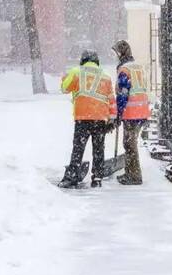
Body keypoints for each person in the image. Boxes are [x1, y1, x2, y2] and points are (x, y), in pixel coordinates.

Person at [59, 50, 117, 188]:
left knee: (78, 148)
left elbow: (64, 88)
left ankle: (72, 176)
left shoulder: (76, 72)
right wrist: (112, 119)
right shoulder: (106, 77)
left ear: (82, 60)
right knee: (98, 149)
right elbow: (111, 100)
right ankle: (97, 178)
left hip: (82, 117)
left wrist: (64, 78)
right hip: (100, 118)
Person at [112, 40, 150, 185]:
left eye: (116, 52)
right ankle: (131, 172)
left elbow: (123, 93)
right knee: (130, 143)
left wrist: (119, 112)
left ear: (121, 53)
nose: (115, 56)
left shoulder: (125, 70)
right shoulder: (137, 67)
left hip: (132, 112)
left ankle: (134, 176)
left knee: (129, 144)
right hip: (142, 110)